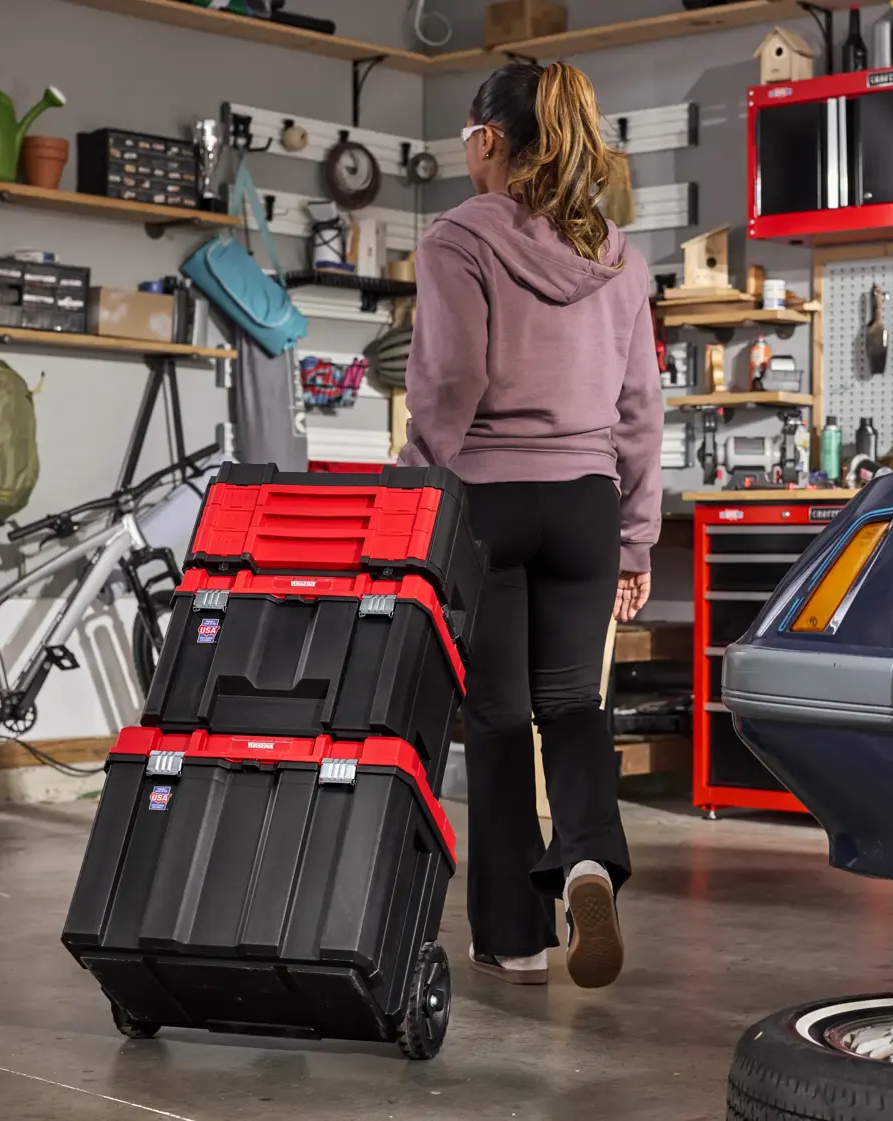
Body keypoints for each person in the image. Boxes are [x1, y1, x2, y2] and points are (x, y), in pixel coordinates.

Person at [398, 60, 663, 990]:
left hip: (489, 503)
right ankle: (589, 858)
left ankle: (514, 937)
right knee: (574, 707)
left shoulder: (458, 239)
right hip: (587, 506)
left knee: (500, 719)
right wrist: (635, 539)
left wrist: (416, 495)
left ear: (486, 141)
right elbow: (640, 411)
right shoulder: (620, 255)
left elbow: (449, 386)